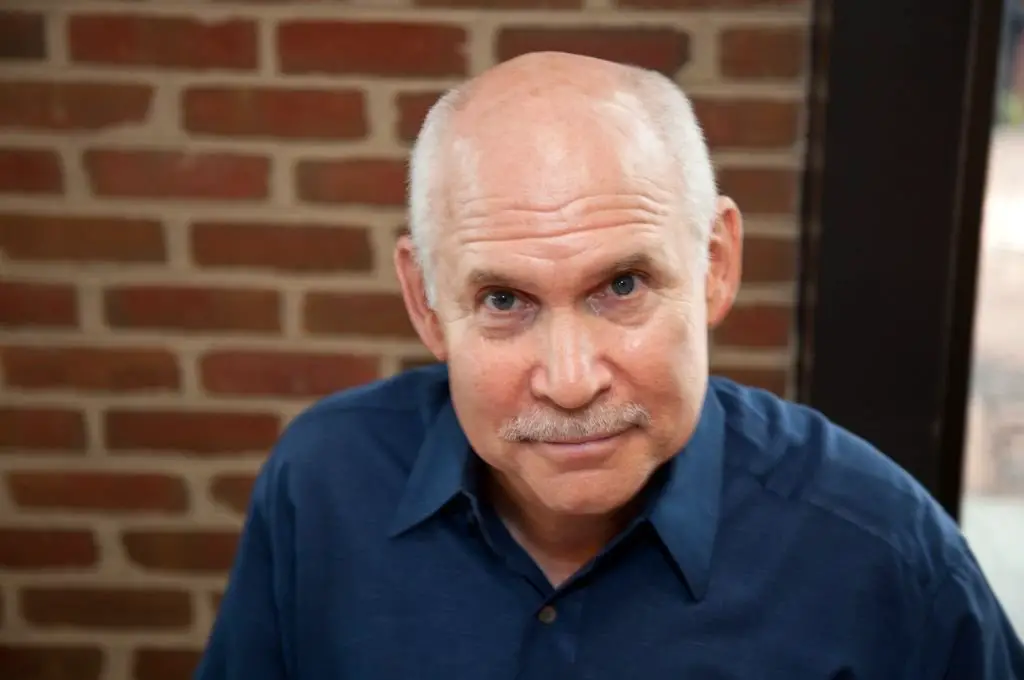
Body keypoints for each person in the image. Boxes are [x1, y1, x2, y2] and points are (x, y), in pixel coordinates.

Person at [194, 52, 1024, 679]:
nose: (569, 380)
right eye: (504, 302)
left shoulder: (885, 554)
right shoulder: (322, 485)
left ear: (716, 264)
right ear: (423, 300)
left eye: (620, 286)